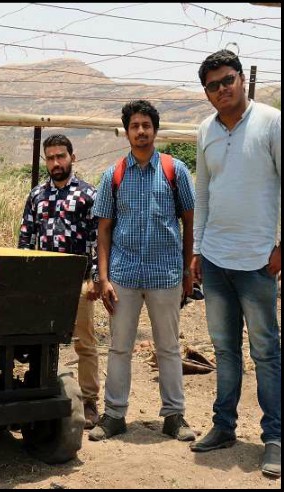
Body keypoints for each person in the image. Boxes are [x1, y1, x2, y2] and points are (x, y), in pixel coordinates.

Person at [188, 49, 280, 478]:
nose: (222, 89)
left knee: (265, 351)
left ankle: (275, 437)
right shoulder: (204, 130)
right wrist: (197, 250)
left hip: (259, 260)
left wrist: (281, 246)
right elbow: (203, 196)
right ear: (206, 94)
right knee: (225, 350)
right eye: (213, 85)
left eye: (228, 80)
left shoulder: (270, 121)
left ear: (241, 79)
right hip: (217, 260)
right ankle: (223, 426)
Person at [90, 100, 197, 443]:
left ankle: (174, 416)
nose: (140, 131)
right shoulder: (114, 175)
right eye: (134, 126)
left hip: (166, 275)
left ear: (155, 130)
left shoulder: (174, 170)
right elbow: (103, 230)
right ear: (127, 131)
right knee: (119, 347)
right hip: (123, 277)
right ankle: (114, 415)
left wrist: (188, 269)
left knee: (168, 347)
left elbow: (190, 222)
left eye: (146, 126)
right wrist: (103, 277)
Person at [18, 134, 101, 429]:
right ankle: (40, 394)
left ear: (72, 158)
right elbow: (26, 237)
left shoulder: (88, 194)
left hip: (76, 281)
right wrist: (24, 276)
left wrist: (95, 279)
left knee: (84, 342)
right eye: (50, 158)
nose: (56, 162)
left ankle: (89, 402)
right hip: (44, 282)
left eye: (60, 156)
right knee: (41, 341)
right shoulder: (37, 195)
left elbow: (96, 239)